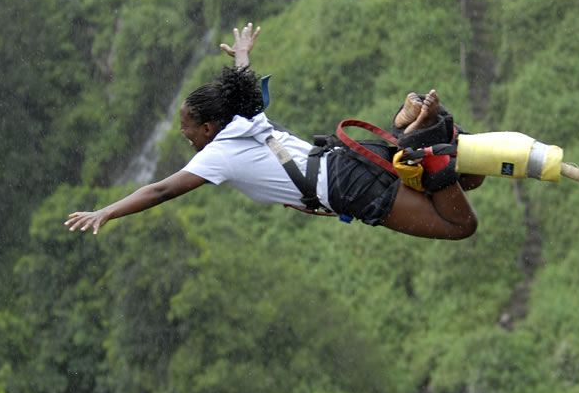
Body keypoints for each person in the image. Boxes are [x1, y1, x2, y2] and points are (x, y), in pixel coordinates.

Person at [65, 23, 484, 240]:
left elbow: (159, 191)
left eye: (186, 130)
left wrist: (107, 211)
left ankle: (418, 135)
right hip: (349, 157)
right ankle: (406, 124)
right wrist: (243, 52)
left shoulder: (217, 155)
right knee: (468, 180)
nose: (185, 137)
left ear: (209, 128)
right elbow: (243, 78)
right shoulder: (245, 113)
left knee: (460, 226)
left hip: (349, 187)